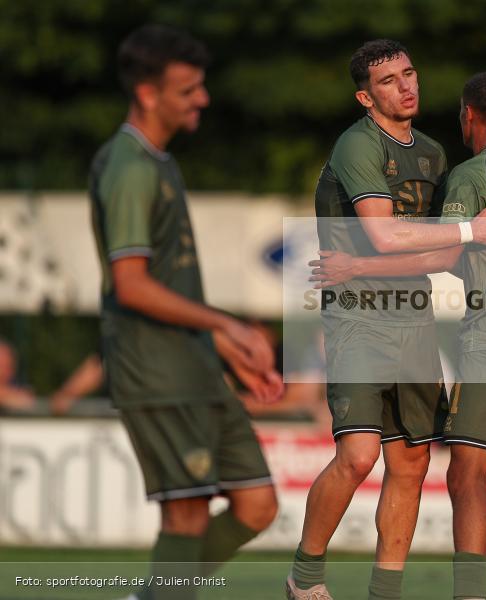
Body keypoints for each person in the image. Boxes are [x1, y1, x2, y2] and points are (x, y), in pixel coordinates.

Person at [311, 72, 486, 600]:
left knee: (466, 477)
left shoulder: (471, 175)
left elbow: (447, 254)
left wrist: (357, 266)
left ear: (468, 115)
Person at [90, 25, 282, 600]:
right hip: (157, 372)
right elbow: (131, 286)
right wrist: (227, 323)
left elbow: (168, 285)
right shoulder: (129, 167)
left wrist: (224, 347)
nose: (203, 98)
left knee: (256, 504)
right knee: (187, 513)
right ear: (148, 93)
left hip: (194, 367)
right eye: (188, 89)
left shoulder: (160, 162)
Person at [0, 338, 36, 413]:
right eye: (2, 365)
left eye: (9, 365)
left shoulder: (15, 385)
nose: (7, 370)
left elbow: (27, 400)